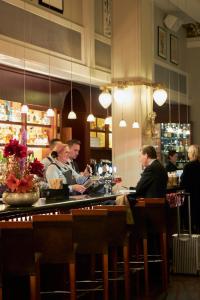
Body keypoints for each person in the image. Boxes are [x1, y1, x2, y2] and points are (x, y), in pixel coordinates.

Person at [180, 144, 200, 232]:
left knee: (190, 220)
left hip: (191, 197)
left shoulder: (188, 166)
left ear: (192, 154)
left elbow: (183, 183)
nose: (187, 154)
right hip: (198, 196)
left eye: (188, 152)